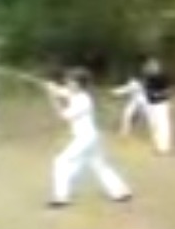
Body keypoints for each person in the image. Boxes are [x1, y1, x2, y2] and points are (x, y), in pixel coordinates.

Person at [45, 68, 133, 208]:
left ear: (78, 84)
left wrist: (52, 97)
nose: (67, 82)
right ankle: (120, 191)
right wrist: (53, 88)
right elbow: (62, 92)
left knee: (61, 161)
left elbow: (63, 116)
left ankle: (60, 197)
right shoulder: (76, 94)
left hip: (84, 138)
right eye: (67, 80)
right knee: (99, 165)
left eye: (70, 81)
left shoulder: (83, 100)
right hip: (91, 137)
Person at [142, 58, 173, 154]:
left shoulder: (163, 77)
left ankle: (164, 147)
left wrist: (159, 94)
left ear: (157, 67)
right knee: (153, 125)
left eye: (153, 66)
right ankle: (157, 145)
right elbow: (146, 90)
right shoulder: (147, 78)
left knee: (163, 125)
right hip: (150, 104)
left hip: (161, 104)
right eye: (149, 66)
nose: (150, 68)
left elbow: (169, 90)